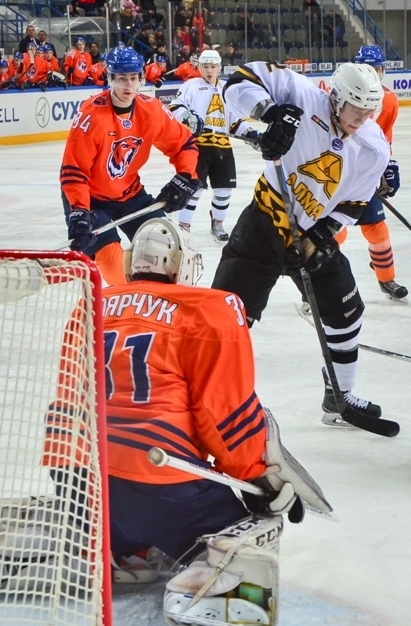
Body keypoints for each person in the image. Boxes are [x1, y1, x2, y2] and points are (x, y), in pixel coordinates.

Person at [30, 217, 327, 626]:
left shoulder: (93, 304)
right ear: (182, 266)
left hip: (80, 490)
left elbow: (69, 397)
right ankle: (216, 592)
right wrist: (259, 480)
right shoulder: (209, 309)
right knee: (255, 526)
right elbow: (223, 413)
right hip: (160, 489)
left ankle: (116, 550)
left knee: (111, 502)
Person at [213, 61, 392, 424]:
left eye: (368, 113)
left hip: (310, 236)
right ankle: (210, 396)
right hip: (264, 223)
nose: (360, 120)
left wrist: (322, 236)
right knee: (224, 315)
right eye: (354, 111)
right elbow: (238, 81)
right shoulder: (303, 94)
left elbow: (352, 204)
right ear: (336, 98)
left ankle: (339, 397)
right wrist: (271, 112)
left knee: (346, 311)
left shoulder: (374, 148)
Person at [59, 45, 200, 286]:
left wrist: (186, 176)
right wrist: (79, 211)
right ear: (110, 78)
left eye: (133, 78)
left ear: (141, 78)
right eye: (122, 78)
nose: (128, 85)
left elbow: (184, 144)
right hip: (91, 200)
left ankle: (160, 305)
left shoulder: (152, 110)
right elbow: (74, 172)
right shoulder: (91, 116)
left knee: (164, 245)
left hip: (130, 195)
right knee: (117, 269)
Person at [331, 46, 406, 302]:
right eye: (368, 69)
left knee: (376, 229)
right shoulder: (339, 94)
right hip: (336, 174)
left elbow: (384, 138)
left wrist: (388, 165)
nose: (374, 74)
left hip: (365, 177)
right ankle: (319, 286)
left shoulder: (390, 100)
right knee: (333, 231)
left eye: (378, 69)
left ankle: (387, 280)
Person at [166, 49, 252, 241]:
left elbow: (235, 120)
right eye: (205, 66)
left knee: (224, 189)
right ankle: (184, 226)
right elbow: (174, 107)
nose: (209, 70)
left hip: (222, 145)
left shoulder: (226, 90)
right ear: (200, 67)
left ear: (219, 67)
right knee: (194, 188)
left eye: (213, 66)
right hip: (198, 146)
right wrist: (187, 116)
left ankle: (218, 224)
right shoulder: (191, 85)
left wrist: (250, 134)